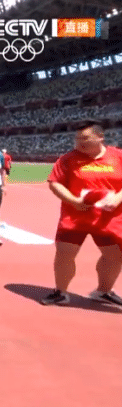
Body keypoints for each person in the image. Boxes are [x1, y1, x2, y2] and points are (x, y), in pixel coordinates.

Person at [40, 121, 122, 306]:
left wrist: (118, 198)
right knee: (64, 253)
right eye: (77, 138)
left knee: (115, 256)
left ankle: (103, 291)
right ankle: (60, 292)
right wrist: (74, 202)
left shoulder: (118, 156)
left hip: (108, 218)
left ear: (100, 137)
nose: (79, 142)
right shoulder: (68, 159)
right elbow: (55, 183)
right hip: (75, 216)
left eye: (84, 138)